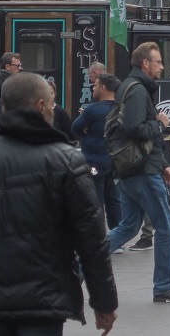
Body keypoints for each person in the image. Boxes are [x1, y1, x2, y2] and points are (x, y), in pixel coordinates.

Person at [0, 72, 118, 336]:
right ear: (41, 105)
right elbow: (92, 239)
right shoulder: (67, 161)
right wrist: (104, 303)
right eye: (51, 104)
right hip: (45, 302)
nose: (53, 110)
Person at [105, 42, 170, 303]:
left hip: (134, 169)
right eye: (158, 62)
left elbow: (140, 136)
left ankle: (79, 262)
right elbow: (134, 129)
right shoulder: (137, 91)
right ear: (145, 63)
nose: (162, 67)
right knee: (166, 228)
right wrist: (160, 124)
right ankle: (164, 286)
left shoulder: (131, 87)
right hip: (142, 172)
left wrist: (163, 164)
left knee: (129, 226)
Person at [72, 73, 123, 232]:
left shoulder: (92, 110)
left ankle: (98, 234)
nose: (93, 88)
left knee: (96, 199)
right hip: (114, 163)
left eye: (95, 85)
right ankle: (117, 234)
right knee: (114, 199)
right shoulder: (120, 109)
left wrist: (85, 128)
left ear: (102, 88)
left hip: (94, 164)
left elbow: (75, 128)